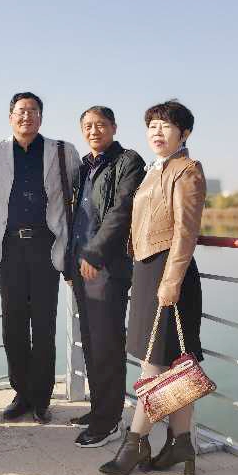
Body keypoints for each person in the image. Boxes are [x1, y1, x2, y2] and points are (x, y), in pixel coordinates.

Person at [100, 100, 206, 475]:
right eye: (152, 126)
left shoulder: (187, 170)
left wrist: (171, 281)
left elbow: (185, 232)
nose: (157, 132)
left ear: (184, 133)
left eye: (166, 126)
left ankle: (135, 442)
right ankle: (180, 443)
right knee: (175, 363)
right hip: (147, 272)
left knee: (154, 365)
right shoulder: (154, 169)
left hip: (168, 274)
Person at [0, 92, 80, 424]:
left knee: (43, 324)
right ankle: (21, 393)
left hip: (45, 248)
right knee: (13, 325)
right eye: (21, 111)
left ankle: (41, 398)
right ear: (11, 116)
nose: (27, 116)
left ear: (41, 117)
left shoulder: (62, 151)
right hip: (9, 248)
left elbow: (80, 197)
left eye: (33, 111)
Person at [66, 106, 145, 448]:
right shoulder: (84, 166)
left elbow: (121, 211)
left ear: (114, 127)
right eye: (87, 126)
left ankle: (109, 422)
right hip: (81, 266)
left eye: (100, 124)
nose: (93, 130)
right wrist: (71, 262)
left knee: (107, 345)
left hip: (106, 267)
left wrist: (94, 254)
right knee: (91, 342)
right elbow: (74, 216)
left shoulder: (128, 162)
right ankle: (100, 409)